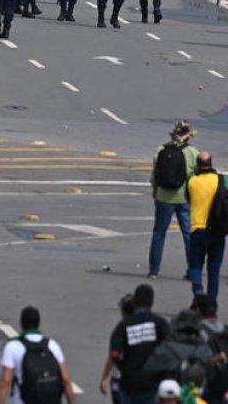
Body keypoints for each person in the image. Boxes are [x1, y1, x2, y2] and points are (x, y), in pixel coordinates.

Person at [99, 285, 170, 404]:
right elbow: (169, 346)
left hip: (128, 381)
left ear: (135, 302)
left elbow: (114, 353)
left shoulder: (124, 325)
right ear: (151, 303)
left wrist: (122, 367)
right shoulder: (159, 323)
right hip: (151, 381)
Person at [0, 306, 76, 404]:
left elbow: (5, 381)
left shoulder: (13, 347)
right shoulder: (52, 345)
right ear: (39, 323)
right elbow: (65, 379)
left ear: (21, 323)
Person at [150, 120, 198, 281]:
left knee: (159, 233)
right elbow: (196, 178)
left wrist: (155, 193)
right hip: (184, 198)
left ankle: (154, 270)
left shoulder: (161, 149)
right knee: (188, 235)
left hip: (163, 197)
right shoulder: (192, 152)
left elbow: (154, 175)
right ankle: (192, 270)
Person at [187, 152, 225, 300]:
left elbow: (188, 199)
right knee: (214, 269)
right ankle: (211, 301)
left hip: (198, 228)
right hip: (217, 230)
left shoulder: (192, 181)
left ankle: (198, 291)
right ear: (211, 162)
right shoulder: (220, 180)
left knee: (195, 265)